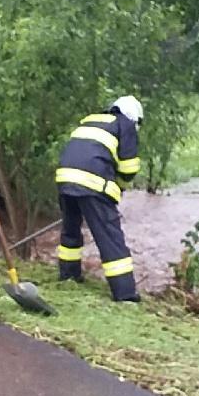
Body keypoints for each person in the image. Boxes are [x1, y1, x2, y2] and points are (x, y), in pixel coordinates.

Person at [55, 95, 144, 302]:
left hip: (64, 177)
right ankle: (125, 294)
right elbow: (129, 168)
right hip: (92, 183)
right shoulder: (126, 124)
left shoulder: (92, 120)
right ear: (134, 117)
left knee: (70, 229)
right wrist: (119, 187)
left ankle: (69, 275)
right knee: (109, 237)